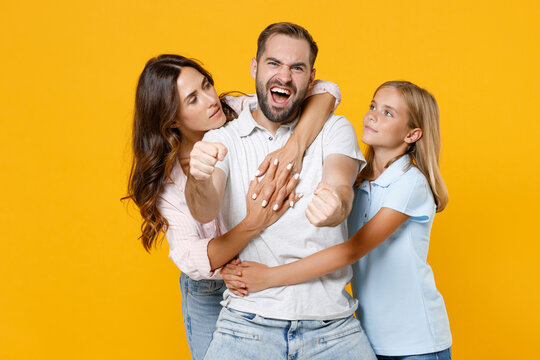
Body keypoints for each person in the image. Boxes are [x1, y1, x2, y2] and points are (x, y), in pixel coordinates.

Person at [124, 54, 341, 360]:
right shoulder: (170, 180)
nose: (211, 100)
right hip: (211, 290)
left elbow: (325, 90)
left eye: (207, 85)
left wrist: (294, 147)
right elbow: (190, 255)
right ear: (172, 119)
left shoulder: (242, 112)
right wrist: (254, 223)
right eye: (193, 100)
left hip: (264, 274)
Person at [186, 22, 376, 360]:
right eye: (274, 63)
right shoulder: (222, 139)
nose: (284, 77)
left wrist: (336, 205)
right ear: (254, 67)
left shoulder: (334, 128)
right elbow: (204, 209)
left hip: (331, 328)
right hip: (246, 325)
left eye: (297, 68)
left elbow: (340, 185)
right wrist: (198, 178)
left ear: (311, 77)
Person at [223, 81, 452, 360]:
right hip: (367, 335)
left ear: (412, 134)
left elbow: (351, 251)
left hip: (417, 342)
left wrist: (269, 277)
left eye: (388, 113)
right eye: (373, 106)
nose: (372, 116)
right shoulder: (357, 184)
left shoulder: (409, 184)